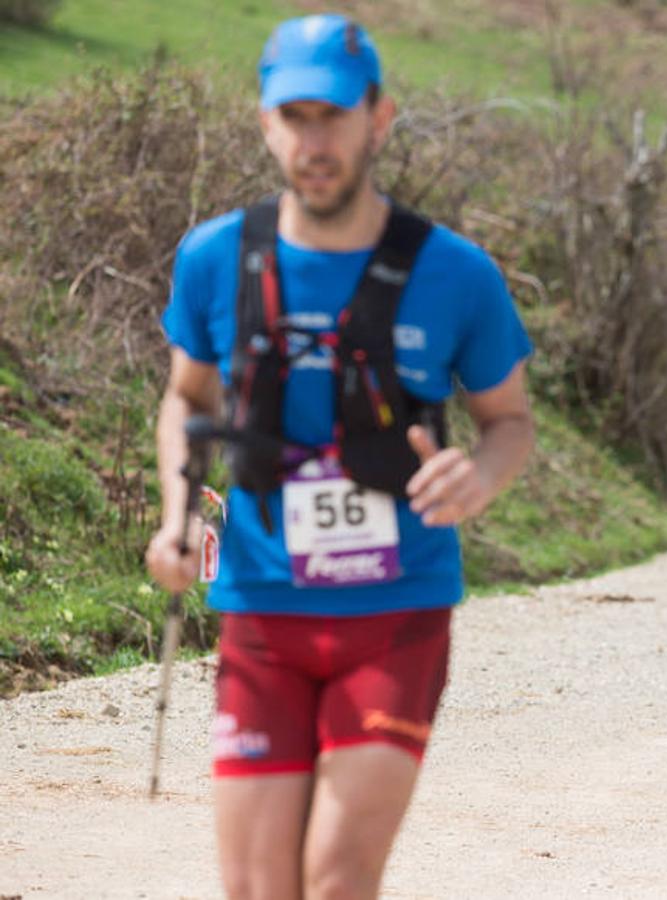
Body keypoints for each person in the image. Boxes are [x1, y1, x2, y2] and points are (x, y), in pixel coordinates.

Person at [144, 14, 535, 898]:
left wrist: (481, 473)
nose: (312, 140)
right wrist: (175, 518)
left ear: (379, 118)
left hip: (395, 616)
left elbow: (509, 421)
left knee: (333, 879)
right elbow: (186, 399)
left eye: (334, 116)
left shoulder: (455, 272)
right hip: (260, 611)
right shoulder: (217, 258)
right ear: (265, 125)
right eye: (294, 117)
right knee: (255, 888)